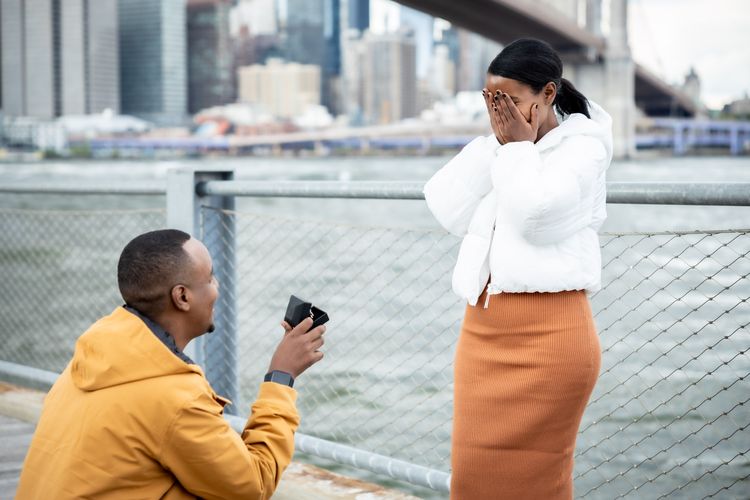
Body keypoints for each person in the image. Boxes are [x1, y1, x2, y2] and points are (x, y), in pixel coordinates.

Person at [424, 38, 613, 499]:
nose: (498, 111)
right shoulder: (502, 146)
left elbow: (537, 219)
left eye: (507, 100)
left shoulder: (584, 148)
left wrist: (515, 149)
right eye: (489, 100)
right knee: (470, 480)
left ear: (548, 94)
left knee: (538, 484)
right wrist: (499, 145)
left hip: (552, 340)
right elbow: (444, 206)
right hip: (483, 333)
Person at [16, 229, 325, 499]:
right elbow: (253, 484)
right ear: (182, 297)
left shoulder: (94, 356)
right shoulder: (174, 398)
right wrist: (281, 377)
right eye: (210, 277)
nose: (217, 287)